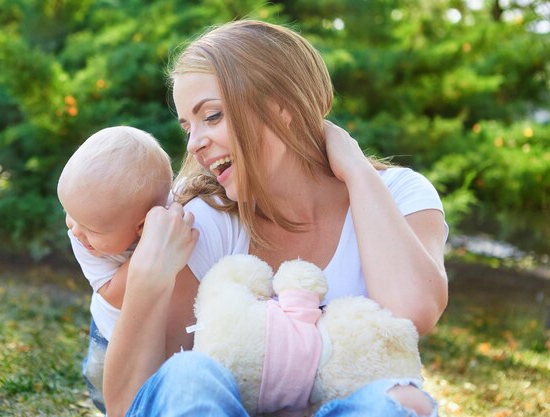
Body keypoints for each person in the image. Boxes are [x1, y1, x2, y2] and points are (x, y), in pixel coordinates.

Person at [103, 20, 449, 417]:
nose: (193, 143)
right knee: (189, 374)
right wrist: (149, 274)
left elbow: (414, 311)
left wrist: (357, 171)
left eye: (212, 116)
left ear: (281, 107)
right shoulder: (204, 222)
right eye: (187, 126)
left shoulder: (399, 194)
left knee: (395, 403)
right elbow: (137, 403)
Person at [57, 126, 173, 413]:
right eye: (70, 215)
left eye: (92, 229)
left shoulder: (167, 217)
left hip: (154, 333)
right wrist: (150, 249)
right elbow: (111, 293)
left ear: (141, 225)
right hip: (107, 332)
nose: (75, 231)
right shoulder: (81, 239)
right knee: (101, 381)